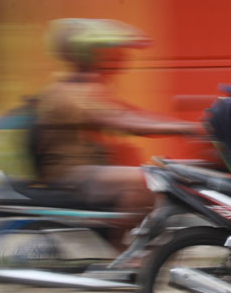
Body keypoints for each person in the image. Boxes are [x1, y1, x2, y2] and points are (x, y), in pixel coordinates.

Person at [32, 18, 202, 247]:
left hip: (90, 168)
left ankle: (130, 242)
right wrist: (183, 128)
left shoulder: (90, 86)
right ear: (89, 54)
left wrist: (189, 126)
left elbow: (134, 115)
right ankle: (123, 250)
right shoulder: (70, 91)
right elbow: (122, 121)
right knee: (146, 181)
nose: (120, 60)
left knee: (159, 171)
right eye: (111, 54)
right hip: (71, 175)